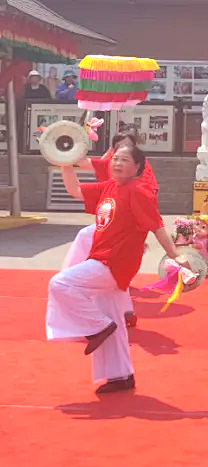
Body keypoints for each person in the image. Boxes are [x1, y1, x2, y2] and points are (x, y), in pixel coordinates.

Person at [47, 147, 187, 394]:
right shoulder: (109, 187)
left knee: (60, 284)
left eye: (125, 160)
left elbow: (157, 226)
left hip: (113, 263)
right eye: (116, 159)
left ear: (138, 167)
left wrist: (175, 254)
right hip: (104, 261)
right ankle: (120, 376)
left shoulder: (139, 191)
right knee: (114, 322)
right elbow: (76, 191)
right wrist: (65, 164)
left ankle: (97, 326)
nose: (118, 163)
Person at [64, 130, 158, 328]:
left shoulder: (139, 176)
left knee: (113, 267)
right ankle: (122, 312)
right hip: (109, 225)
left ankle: (72, 282)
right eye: (117, 149)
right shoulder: (112, 164)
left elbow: (154, 216)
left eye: (126, 150)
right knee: (110, 271)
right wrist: (71, 144)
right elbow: (80, 166)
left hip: (128, 228)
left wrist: (174, 253)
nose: (119, 159)